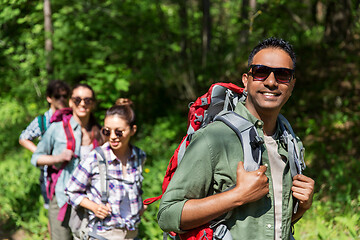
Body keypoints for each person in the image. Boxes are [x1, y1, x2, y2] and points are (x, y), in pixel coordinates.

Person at [157, 37, 315, 240]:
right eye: (260, 72)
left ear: (292, 85)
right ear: (246, 80)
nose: (271, 82)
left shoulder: (290, 143)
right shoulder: (214, 138)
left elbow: (268, 224)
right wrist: (237, 196)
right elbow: (167, 215)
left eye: (283, 75)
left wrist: (302, 207)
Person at [65, 98, 146, 240]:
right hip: (101, 234)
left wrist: (139, 207)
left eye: (119, 132)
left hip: (132, 235)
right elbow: (71, 190)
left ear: (133, 130)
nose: (113, 137)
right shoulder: (95, 157)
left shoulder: (140, 156)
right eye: (107, 131)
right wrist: (94, 207)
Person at [31, 83, 103, 240]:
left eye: (87, 100)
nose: (82, 104)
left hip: (91, 201)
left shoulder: (100, 132)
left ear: (93, 103)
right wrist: (58, 158)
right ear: (70, 102)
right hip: (62, 198)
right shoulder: (57, 129)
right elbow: (36, 158)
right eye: (77, 100)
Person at [19, 80, 70, 210]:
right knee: (52, 211)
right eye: (57, 96)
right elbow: (23, 138)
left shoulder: (72, 118)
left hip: (70, 173)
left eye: (65, 96)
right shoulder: (43, 121)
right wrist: (39, 153)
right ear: (49, 98)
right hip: (49, 175)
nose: (62, 100)